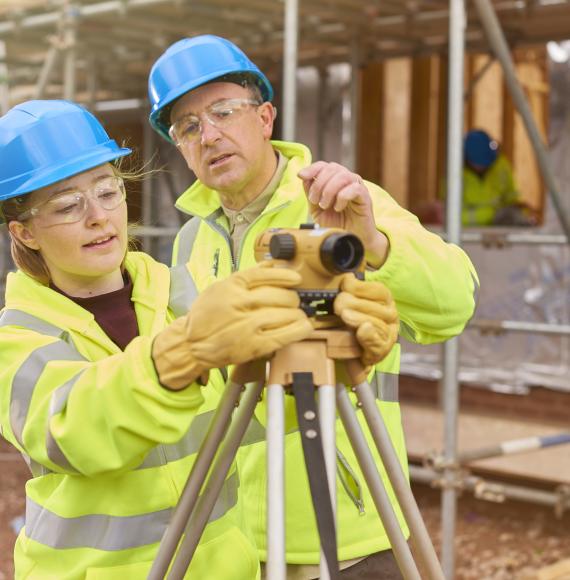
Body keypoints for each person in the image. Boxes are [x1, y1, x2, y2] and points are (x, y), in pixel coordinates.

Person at [147, 35, 479, 579]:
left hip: (350, 538)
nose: (209, 135)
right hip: (229, 540)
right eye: (187, 126)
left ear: (266, 117)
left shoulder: (339, 204)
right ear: (180, 148)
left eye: (224, 111)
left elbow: (454, 303)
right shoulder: (189, 243)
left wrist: (373, 242)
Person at [0, 99, 322, 579]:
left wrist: (319, 352)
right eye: (69, 205)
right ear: (24, 233)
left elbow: (256, 411)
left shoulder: (181, 291)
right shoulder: (19, 336)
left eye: (108, 192)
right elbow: (79, 432)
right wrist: (178, 355)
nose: (98, 217)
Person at [460, 129, 535, 226]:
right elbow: (450, 215)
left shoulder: (501, 165)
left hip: (501, 229)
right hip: (468, 233)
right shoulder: (455, 173)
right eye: (479, 162)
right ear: (467, 159)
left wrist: (522, 214)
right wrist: (492, 214)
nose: (485, 166)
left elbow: (512, 199)